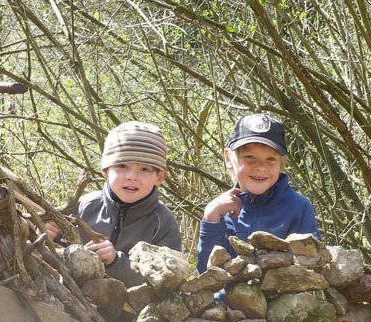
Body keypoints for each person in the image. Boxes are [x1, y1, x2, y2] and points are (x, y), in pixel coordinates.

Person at [47, 121, 182, 287]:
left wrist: (116, 262)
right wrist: (51, 236)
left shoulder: (162, 222)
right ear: (105, 170)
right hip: (71, 298)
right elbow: (60, 252)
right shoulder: (85, 206)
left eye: (144, 169)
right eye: (122, 166)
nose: (132, 177)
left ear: (160, 177)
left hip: (132, 310)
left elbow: (169, 280)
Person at [196, 113, 320, 273]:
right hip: (228, 298)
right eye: (250, 157)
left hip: (284, 296)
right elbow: (207, 273)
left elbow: (312, 268)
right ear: (229, 158)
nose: (261, 166)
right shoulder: (222, 209)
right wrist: (211, 216)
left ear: (282, 163)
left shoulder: (298, 207)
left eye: (271, 159)